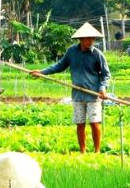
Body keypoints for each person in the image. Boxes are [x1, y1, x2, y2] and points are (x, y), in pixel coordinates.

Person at [31, 22, 111, 154]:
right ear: (81, 39)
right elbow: (59, 65)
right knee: (80, 124)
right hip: (78, 95)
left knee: (95, 123)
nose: (91, 41)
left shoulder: (97, 54)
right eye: (88, 38)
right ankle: (82, 151)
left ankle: (97, 151)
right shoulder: (72, 52)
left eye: (93, 38)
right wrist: (42, 72)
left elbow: (106, 74)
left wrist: (103, 88)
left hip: (93, 95)